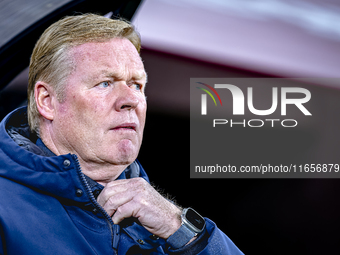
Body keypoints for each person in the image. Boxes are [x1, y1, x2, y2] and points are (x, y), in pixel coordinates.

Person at [0, 14, 244, 254]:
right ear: (47, 101)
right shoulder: (5, 207)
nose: (131, 99)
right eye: (105, 83)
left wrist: (183, 232)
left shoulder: (161, 220)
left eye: (137, 85)